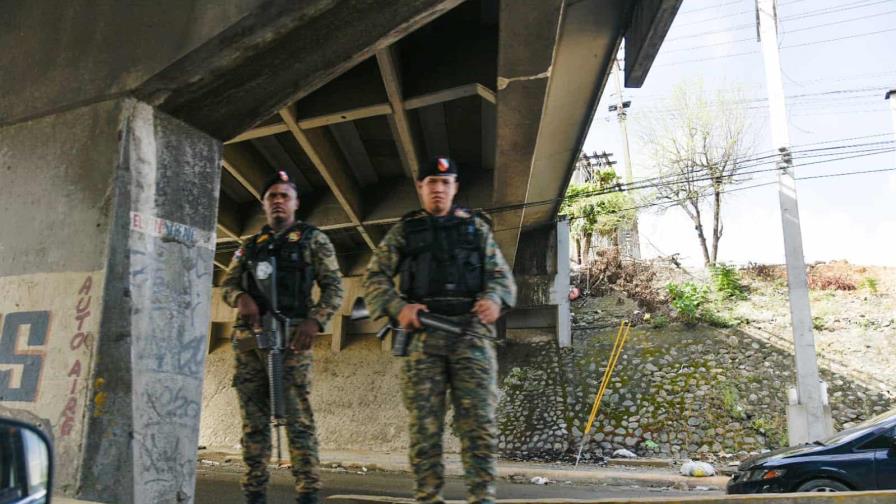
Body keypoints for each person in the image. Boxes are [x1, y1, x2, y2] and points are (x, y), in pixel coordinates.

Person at [362, 157, 517, 504]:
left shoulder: (475, 228)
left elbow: (501, 278)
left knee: (478, 425)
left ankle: (482, 498)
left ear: (455, 187)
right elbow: (374, 278)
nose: (438, 189)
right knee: (425, 428)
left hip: (469, 335)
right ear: (420, 188)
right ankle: (428, 497)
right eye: (431, 182)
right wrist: (398, 307)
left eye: (445, 183)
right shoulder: (405, 230)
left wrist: (493, 298)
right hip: (424, 337)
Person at [221, 171, 344, 504]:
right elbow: (228, 285)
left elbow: (334, 287)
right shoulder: (249, 246)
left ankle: (307, 492)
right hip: (250, 345)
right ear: (264, 204)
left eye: (284, 195)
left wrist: (315, 321)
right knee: (253, 425)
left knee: (299, 421)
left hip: (292, 342)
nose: (278, 201)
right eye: (272, 195)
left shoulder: (312, 240)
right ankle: (255, 492)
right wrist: (239, 299)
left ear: (295, 203)